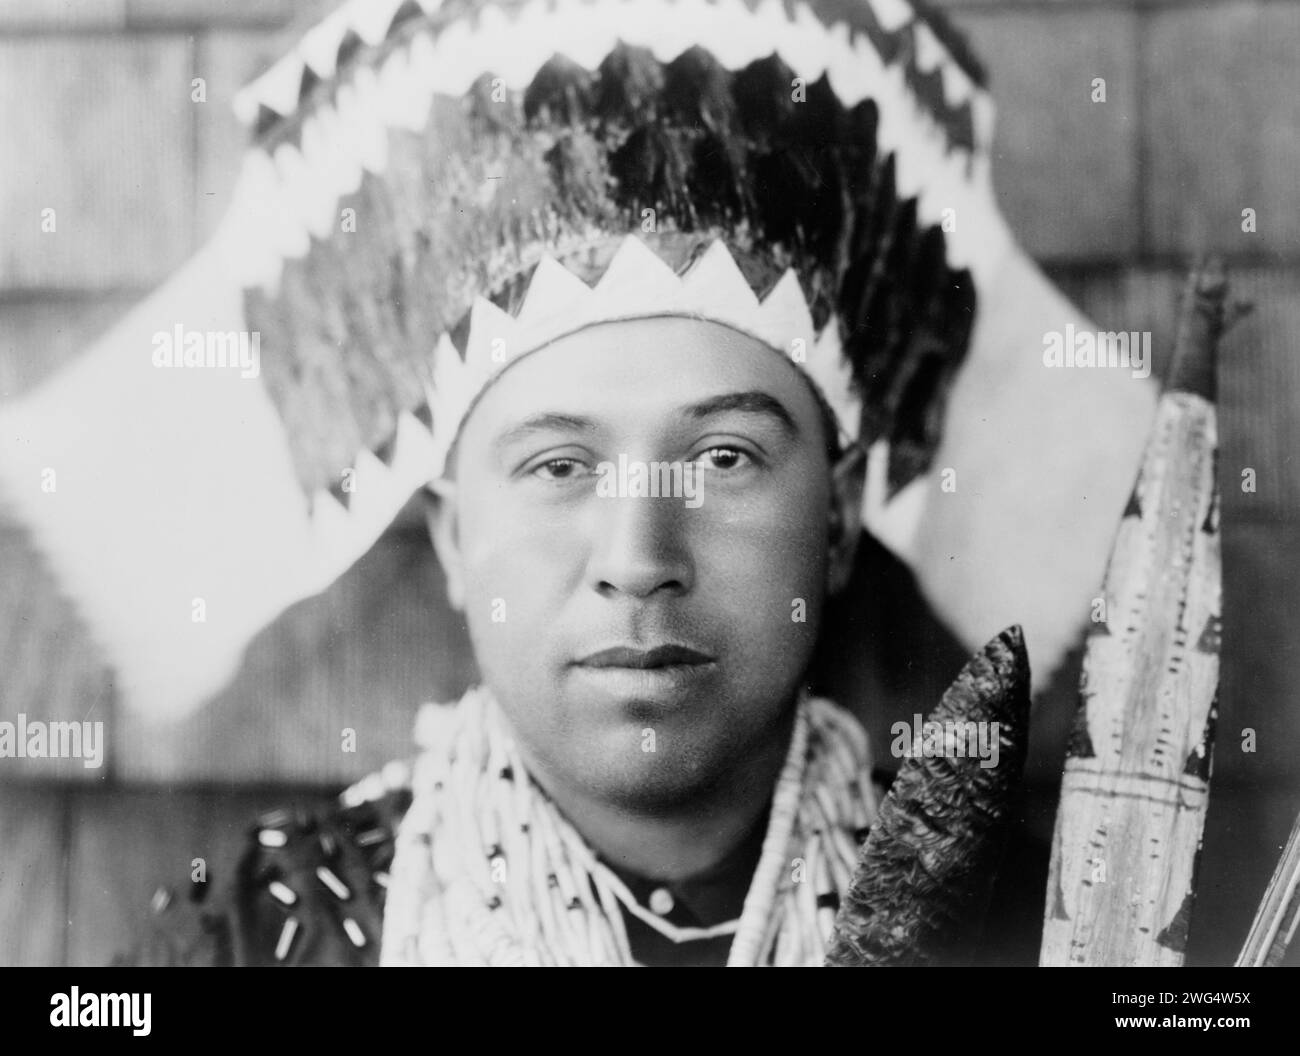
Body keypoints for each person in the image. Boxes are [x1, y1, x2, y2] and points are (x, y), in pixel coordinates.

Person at [0, 0, 1149, 966]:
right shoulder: (262, 937)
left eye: (722, 458)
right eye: (558, 465)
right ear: (454, 542)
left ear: (838, 519)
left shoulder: (1032, 926)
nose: (638, 558)